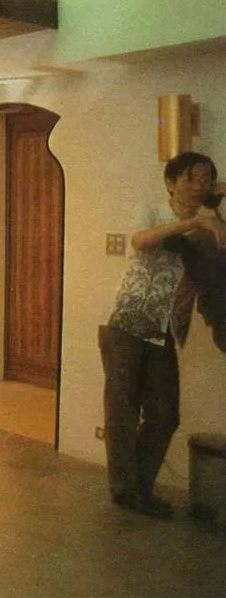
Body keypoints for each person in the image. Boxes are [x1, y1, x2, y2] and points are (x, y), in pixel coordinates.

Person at [99, 151, 226, 518]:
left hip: (165, 330)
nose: (200, 185)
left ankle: (138, 487)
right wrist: (194, 222)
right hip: (127, 323)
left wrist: (215, 210)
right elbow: (141, 241)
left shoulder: (208, 228)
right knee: (123, 412)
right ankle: (127, 491)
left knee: (165, 415)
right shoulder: (152, 211)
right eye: (192, 177)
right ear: (171, 183)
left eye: (207, 179)